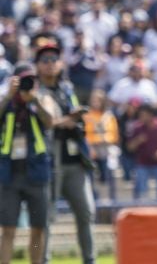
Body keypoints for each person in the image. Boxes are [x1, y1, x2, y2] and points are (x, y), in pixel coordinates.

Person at [35, 34, 95, 264]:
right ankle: (41, 259)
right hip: (49, 160)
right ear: (38, 65)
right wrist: (65, 120)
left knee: (86, 212)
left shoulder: (66, 88)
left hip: (74, 159)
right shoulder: (36, 91)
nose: (50, 63)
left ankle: (90, 259)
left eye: (54, 58)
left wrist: (75, 118)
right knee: (44, 218)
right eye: (45, 59)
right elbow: (47, 122)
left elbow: (70, 119)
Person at [0, 63, 57, 264]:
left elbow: (50, 122)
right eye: (23, 79)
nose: (27, 83)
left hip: (36, 174)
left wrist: (35, 100)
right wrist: (8, 95)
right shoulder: (6, 100)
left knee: (37, 229)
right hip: (10, 174)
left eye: (31, 79)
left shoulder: (42, 98)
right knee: (7, 229)